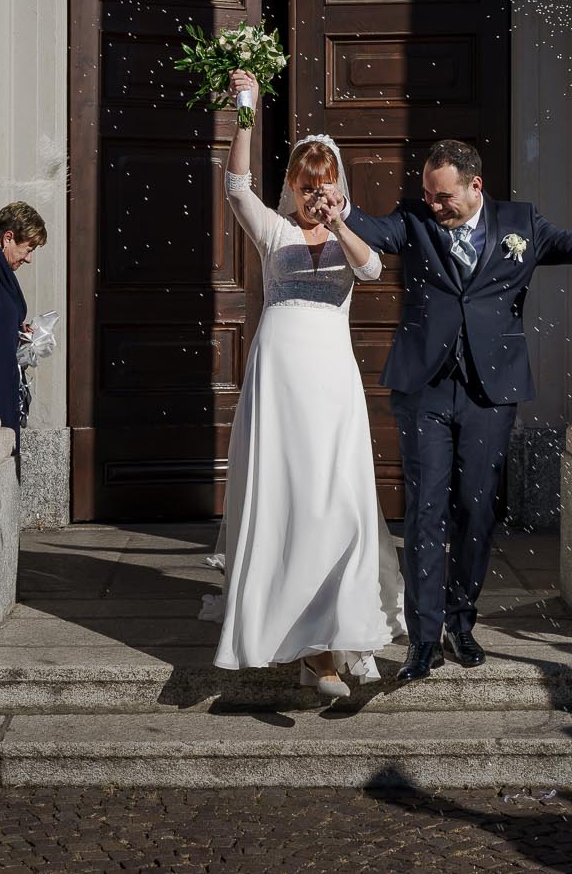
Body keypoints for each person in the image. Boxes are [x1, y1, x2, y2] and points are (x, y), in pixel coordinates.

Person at [347, 139, 572, 684]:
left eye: (443, 197)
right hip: (425, 388)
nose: (433, 204)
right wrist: (340, 208)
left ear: (475, 186)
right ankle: (423, 640)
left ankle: (460, 622)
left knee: (477, 508)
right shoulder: (414, 218)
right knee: (425, 510)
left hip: (491, 390)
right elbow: (374, 231)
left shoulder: (520, 223)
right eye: (428, 194)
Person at [211, 71, 403, 699]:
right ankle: (312, 654)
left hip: (331, 382)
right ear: (292, 186)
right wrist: (246, 109)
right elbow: (236, 187)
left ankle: (339, 631)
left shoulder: (349, 236)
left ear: (339, 186)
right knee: (288, 499)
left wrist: (341, 223)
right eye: (305, 184)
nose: (315, 194)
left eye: (324, 184)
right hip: (281, 381)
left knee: (338, 501)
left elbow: (370, 271)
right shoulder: (275, 232)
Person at [0, 202, 46, 447]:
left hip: (1, 373)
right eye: (28, 249)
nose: (29, 259)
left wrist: (18, 331)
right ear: (8, 238)